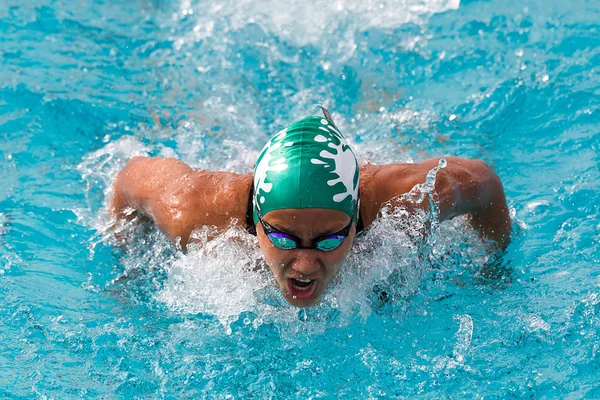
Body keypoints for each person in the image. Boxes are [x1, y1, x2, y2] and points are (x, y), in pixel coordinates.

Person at [111, 108, 511, 307]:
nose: (303, 264)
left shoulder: (405, 202)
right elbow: (128, 179)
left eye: (329, 238)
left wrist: (494, 267)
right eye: (284, 237)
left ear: (356, 219)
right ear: (255, 220)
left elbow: (485, 183)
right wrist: (127, 257)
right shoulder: (191, 211)